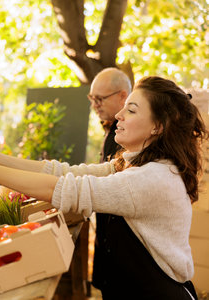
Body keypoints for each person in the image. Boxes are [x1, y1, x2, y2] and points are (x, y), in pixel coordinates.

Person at [0, 76, 204, 299]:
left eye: (131, 110)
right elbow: (66, 173)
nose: (119, 115)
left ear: (158, 126)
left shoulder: (152, 179)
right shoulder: (135, 165)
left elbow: (64, 189)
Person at [88, 67, 132, 292]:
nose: (95, 104)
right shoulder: (111, 131)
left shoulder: (127, 136)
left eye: (100, 98)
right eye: (92, 98)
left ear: (123, 96)